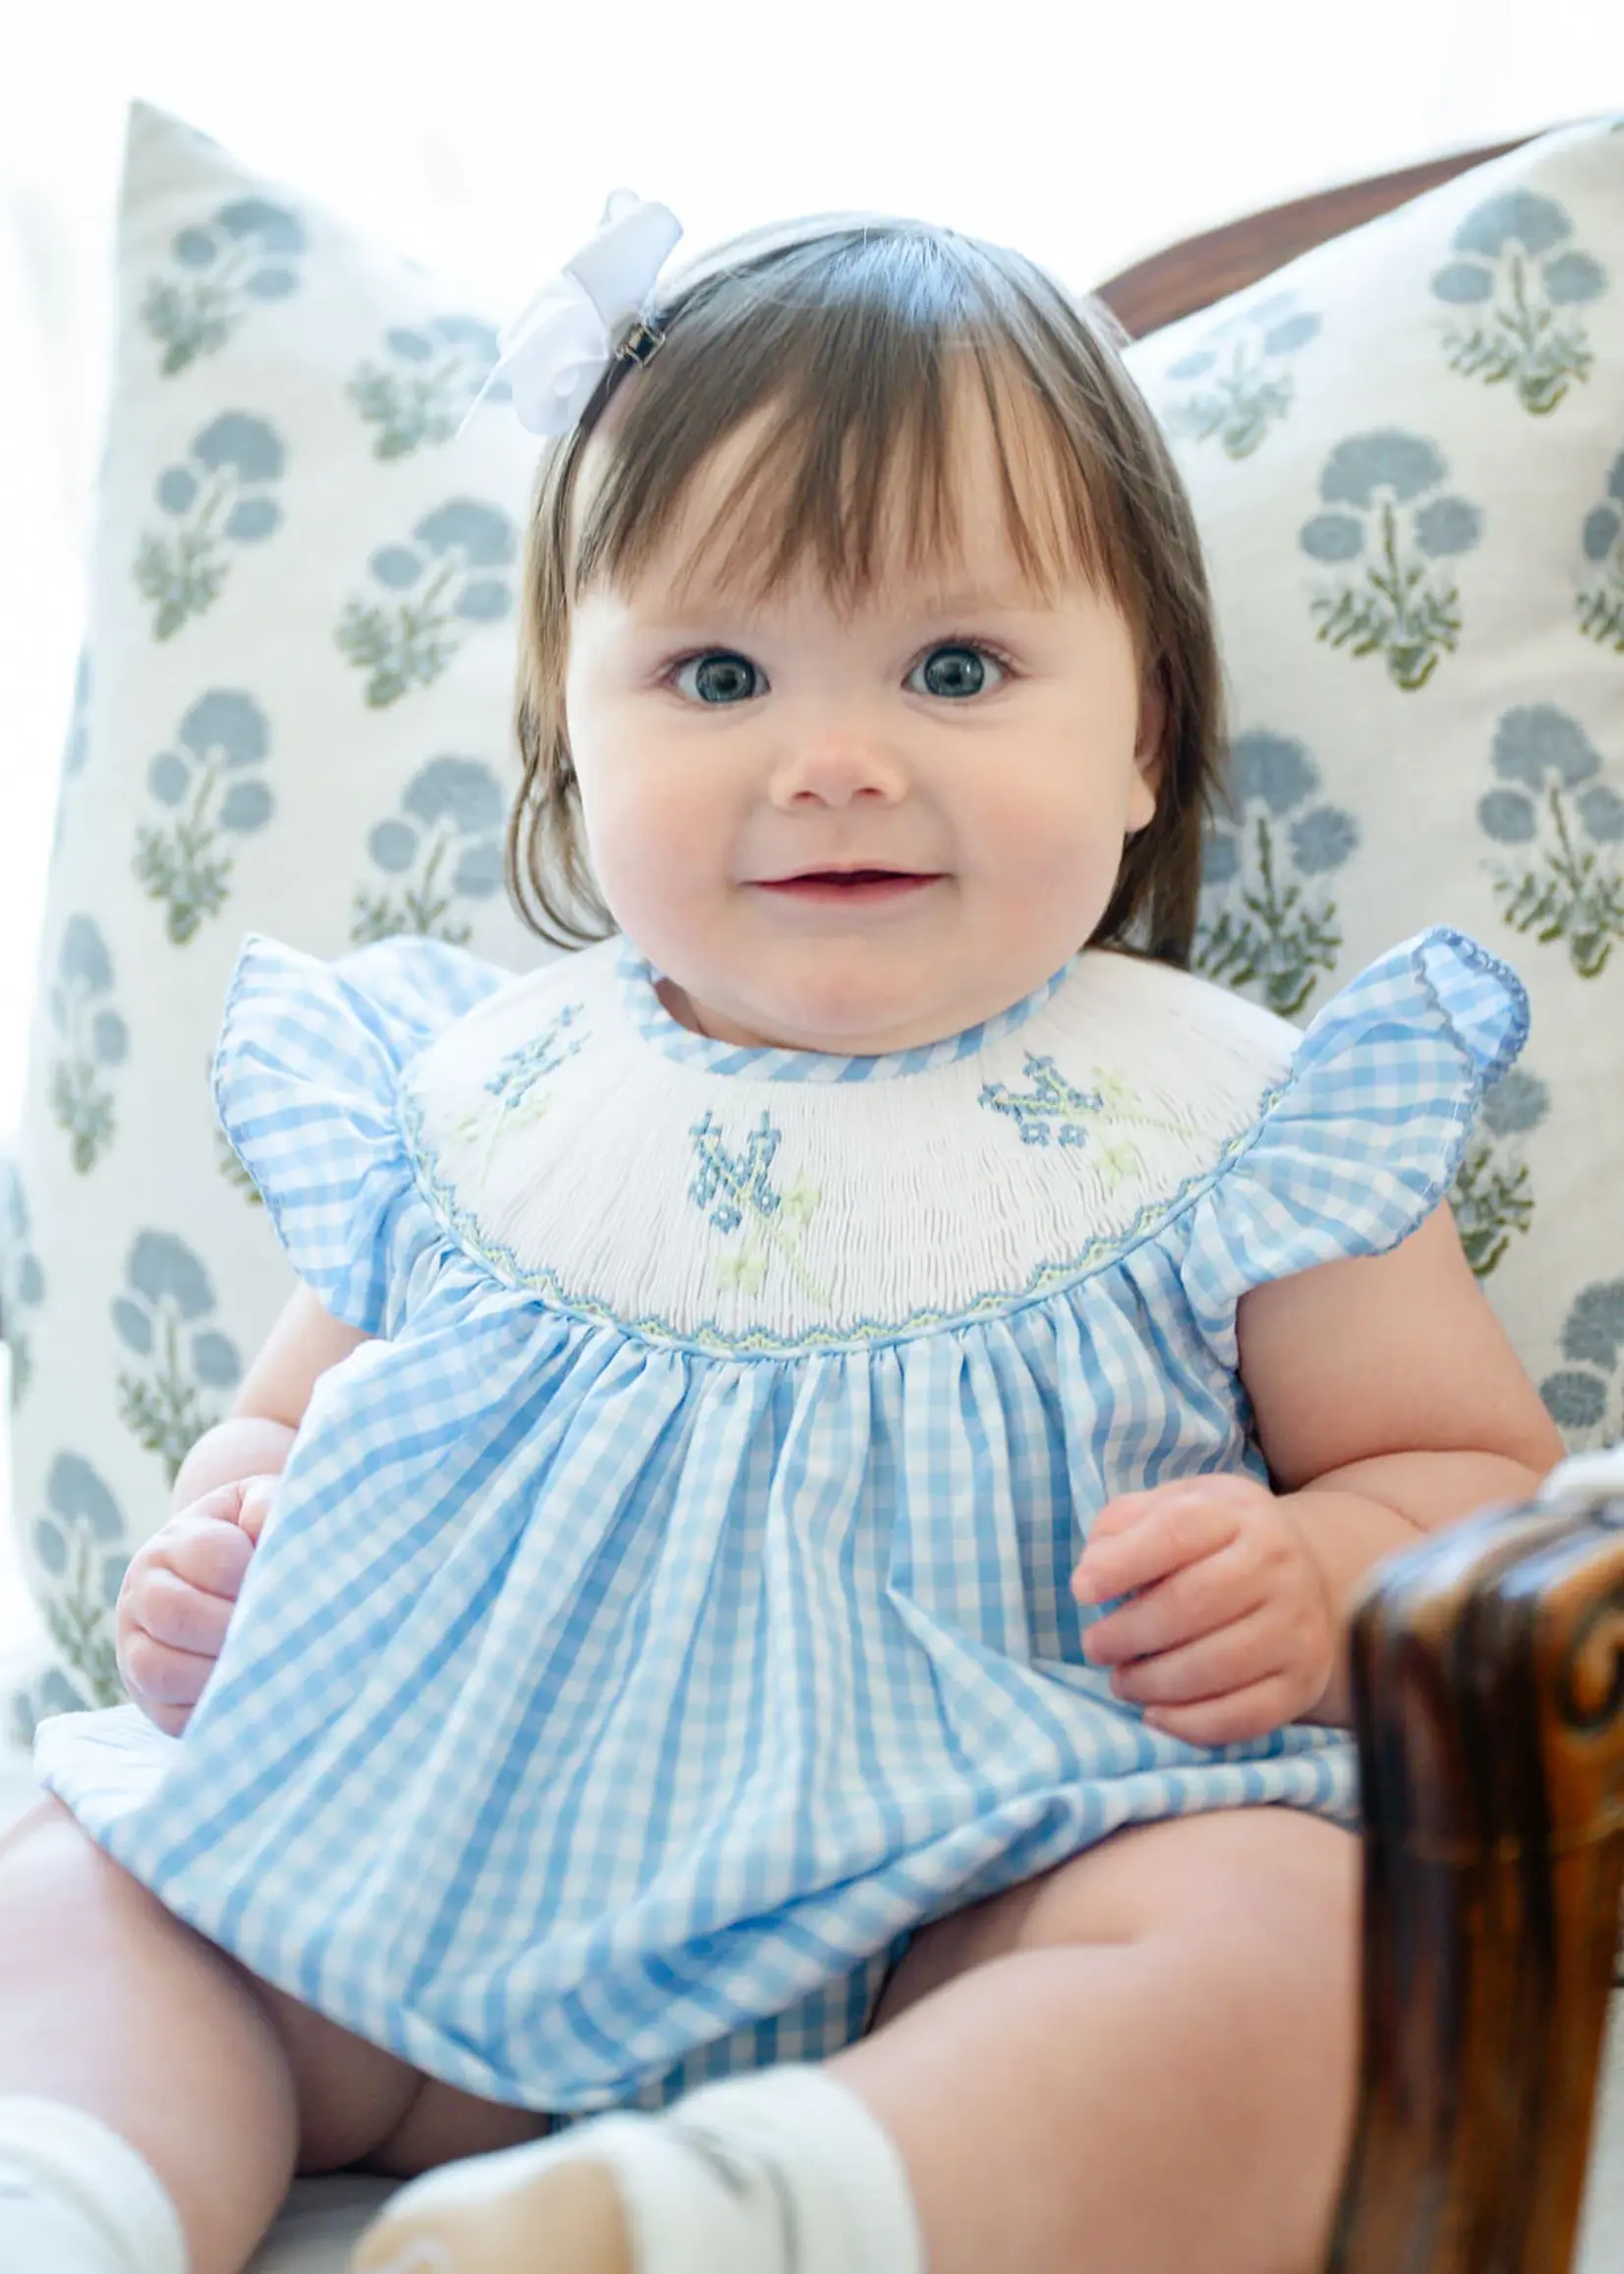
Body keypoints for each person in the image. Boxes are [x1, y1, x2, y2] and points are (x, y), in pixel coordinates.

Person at [0, 187, 1567, 2274]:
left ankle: (741, 2213)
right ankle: (70, 2201)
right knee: (95, 1884)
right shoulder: (483, 1095)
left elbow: (1475, 1482)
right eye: (719, 671)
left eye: (952, 665)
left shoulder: (1237, 1112)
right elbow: (277, 1436)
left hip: (978, 1888)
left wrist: (1310, 1564)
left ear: (1144, 736)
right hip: (425, 1873)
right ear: (575, 735)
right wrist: (220, 1558)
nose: (832, 763)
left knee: (1296, 1948)